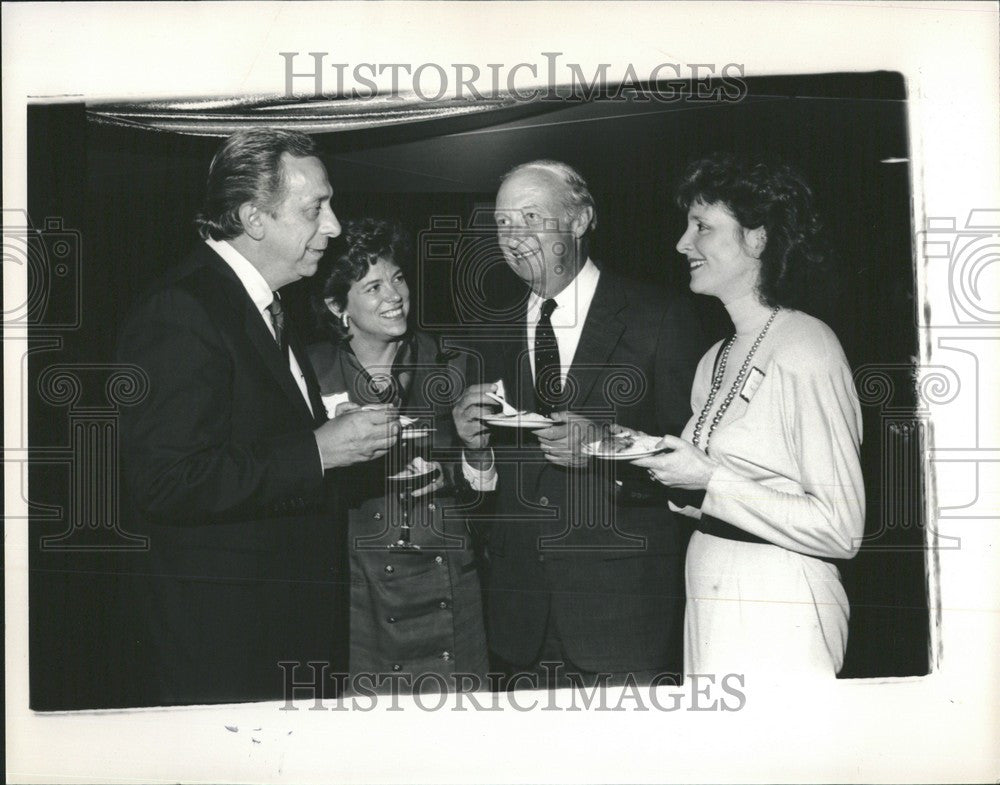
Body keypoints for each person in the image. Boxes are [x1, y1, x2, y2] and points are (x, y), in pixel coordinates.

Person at [116, 129, 400, 705]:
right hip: (227, 649)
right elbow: (166, 482)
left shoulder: (263, 304)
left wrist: (346, 451)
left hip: (281, 629)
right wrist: (319, 450)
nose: (334, 226)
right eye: (314, 209)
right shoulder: (183, 310)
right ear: (253, 217)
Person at [452, 160, 706, 687]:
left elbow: (697, 470)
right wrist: (475, 453)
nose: (513, 238)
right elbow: (484, 496)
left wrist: (604, 449)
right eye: (502, 223)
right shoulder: (488, 331)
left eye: (530, 217)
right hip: (517, 621)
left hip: (623, 619)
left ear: (581, 219)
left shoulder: (660, 317)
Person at [632, 152, 865, 678]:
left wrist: (709, 478)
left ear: (757, 238)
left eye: (702, 227)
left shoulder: (806, 344)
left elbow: (841, 528)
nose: (681, 243)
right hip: (710, 586)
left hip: (778, 604)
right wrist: (661, 466)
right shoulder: (715, 357)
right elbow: (718, 490)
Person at [307, 218, 489, 689]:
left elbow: (488, 489)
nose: (394, 295)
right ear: (336, 306)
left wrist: (468, 459)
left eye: (398, 278)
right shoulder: (310, 372)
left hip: (446, 573)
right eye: (372, 287)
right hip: (356, 581)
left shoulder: (452, 363)